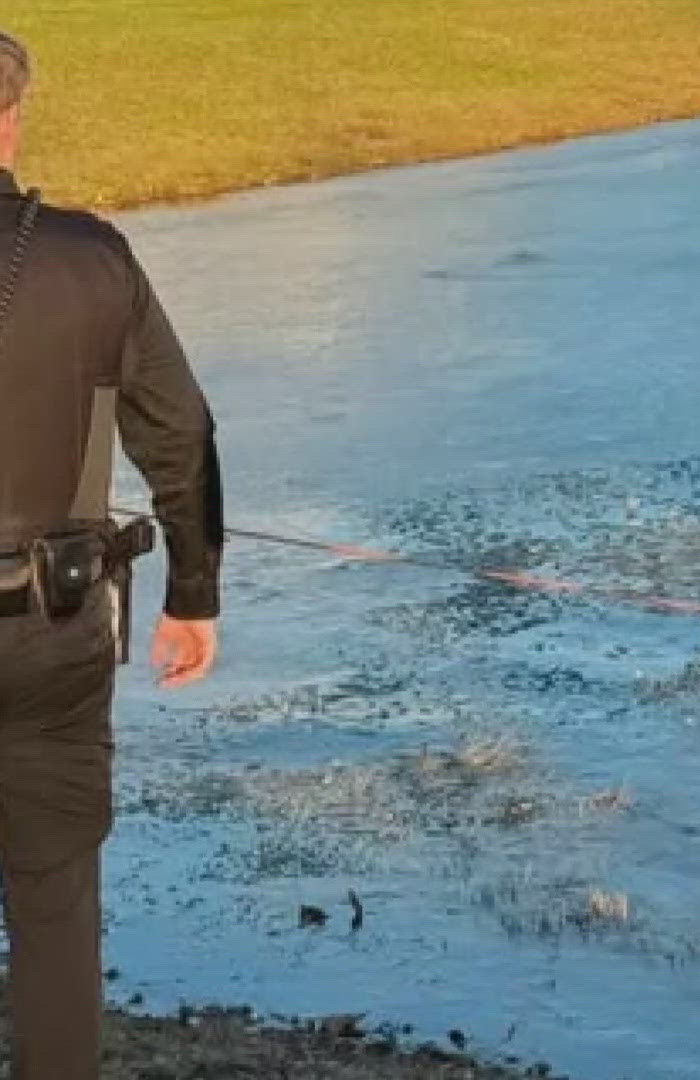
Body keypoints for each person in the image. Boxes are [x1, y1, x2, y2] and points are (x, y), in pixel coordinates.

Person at [0, 29, 224, 1079]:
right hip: (52, 635)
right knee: (54, 916)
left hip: (49, 626)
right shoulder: (91, 258)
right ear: (12, 116)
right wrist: (192, 592)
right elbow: (178, 431)